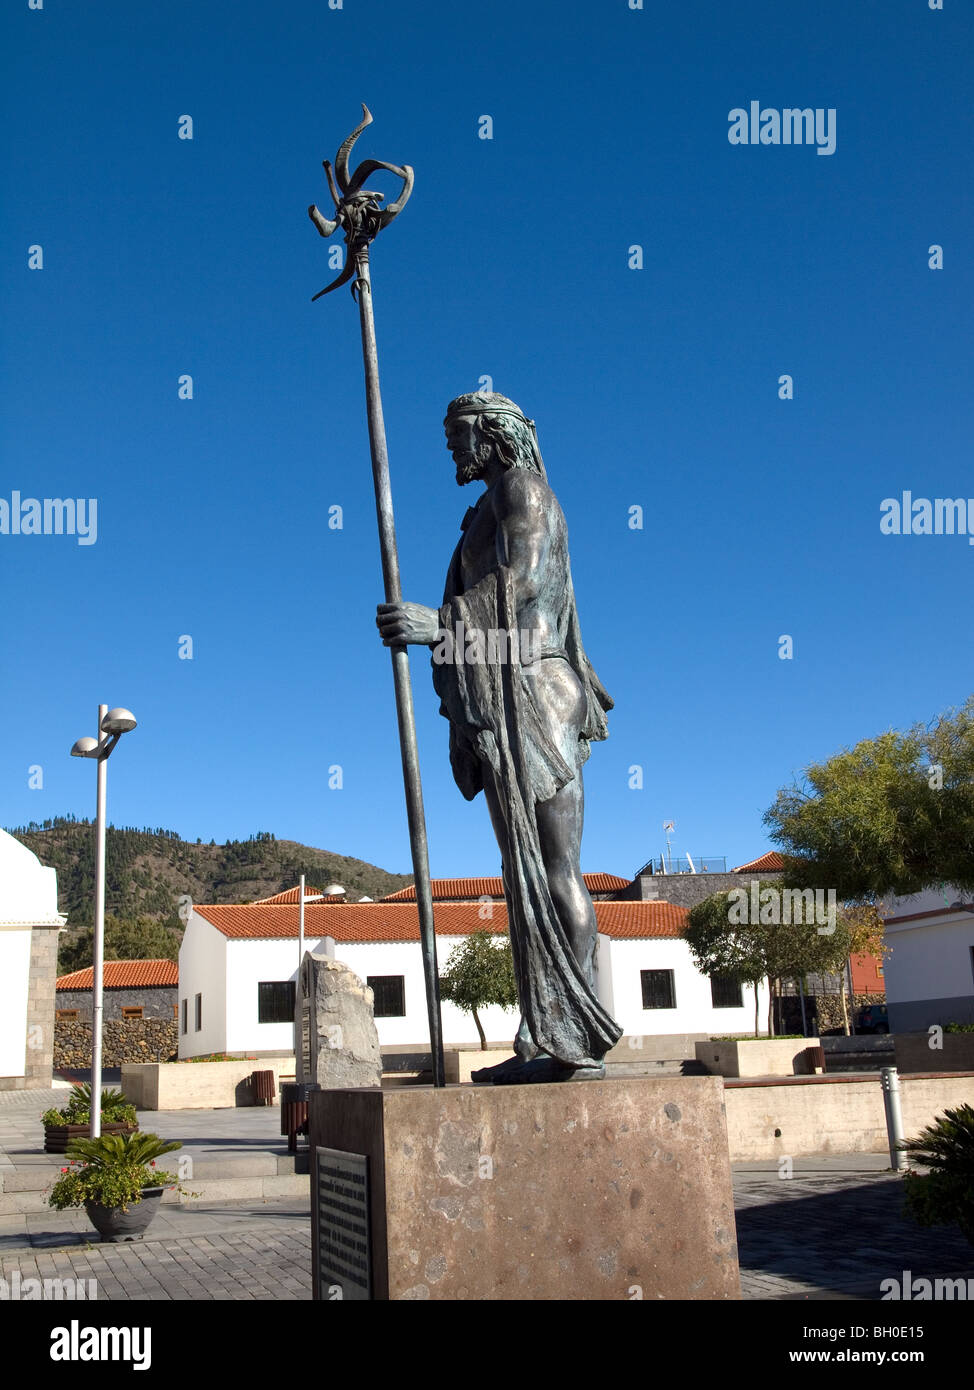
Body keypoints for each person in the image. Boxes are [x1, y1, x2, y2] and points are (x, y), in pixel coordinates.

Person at [376, 392, 621, 1082]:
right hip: (505, 690)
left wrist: (439, 624)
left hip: (537, 690)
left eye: (460, 436)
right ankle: (545, 1026)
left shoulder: (525, 490)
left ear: (497, 436)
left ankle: (575, 1027)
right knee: (522, 874)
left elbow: (525, 585)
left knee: (553, 868)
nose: (452, 450)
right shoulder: (481, 511)